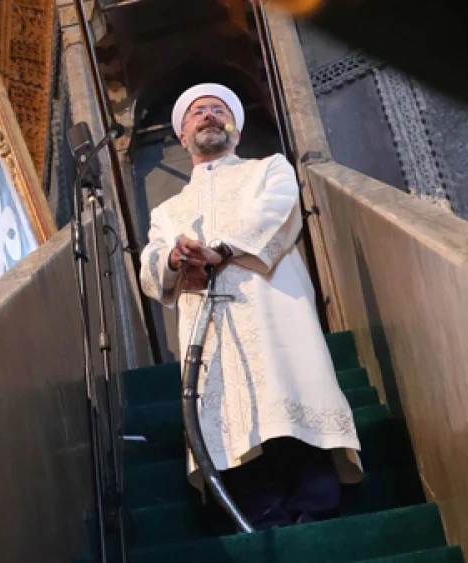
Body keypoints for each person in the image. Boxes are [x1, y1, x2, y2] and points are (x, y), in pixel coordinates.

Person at [138, 83, 364, 531]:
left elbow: (278, 212)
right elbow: (150, 263)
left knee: (289, 396)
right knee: (229, 423)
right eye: (197, 112)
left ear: (235, 131)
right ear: (183, 138)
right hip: (210, 327)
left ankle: (316, 509)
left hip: (272, 308)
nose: (208, 115)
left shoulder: (268, 170)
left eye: (218, 110)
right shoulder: (168, 210)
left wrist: (221, 249)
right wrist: (175, 258)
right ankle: (261, 519)